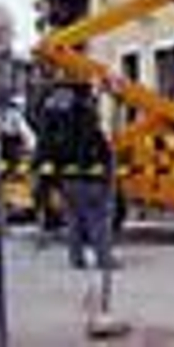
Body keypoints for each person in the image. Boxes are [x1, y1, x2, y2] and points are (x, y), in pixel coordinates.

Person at [34, 82, 117, 270]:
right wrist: (102, 163)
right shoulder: (84, 114)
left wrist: (47, 177)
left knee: (74, 219)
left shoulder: (52, 114)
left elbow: (44, 148)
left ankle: (76, 258)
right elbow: (94, 142)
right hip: (89, 176)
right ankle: (103, 259)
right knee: (96, 218)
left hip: (66, 176)